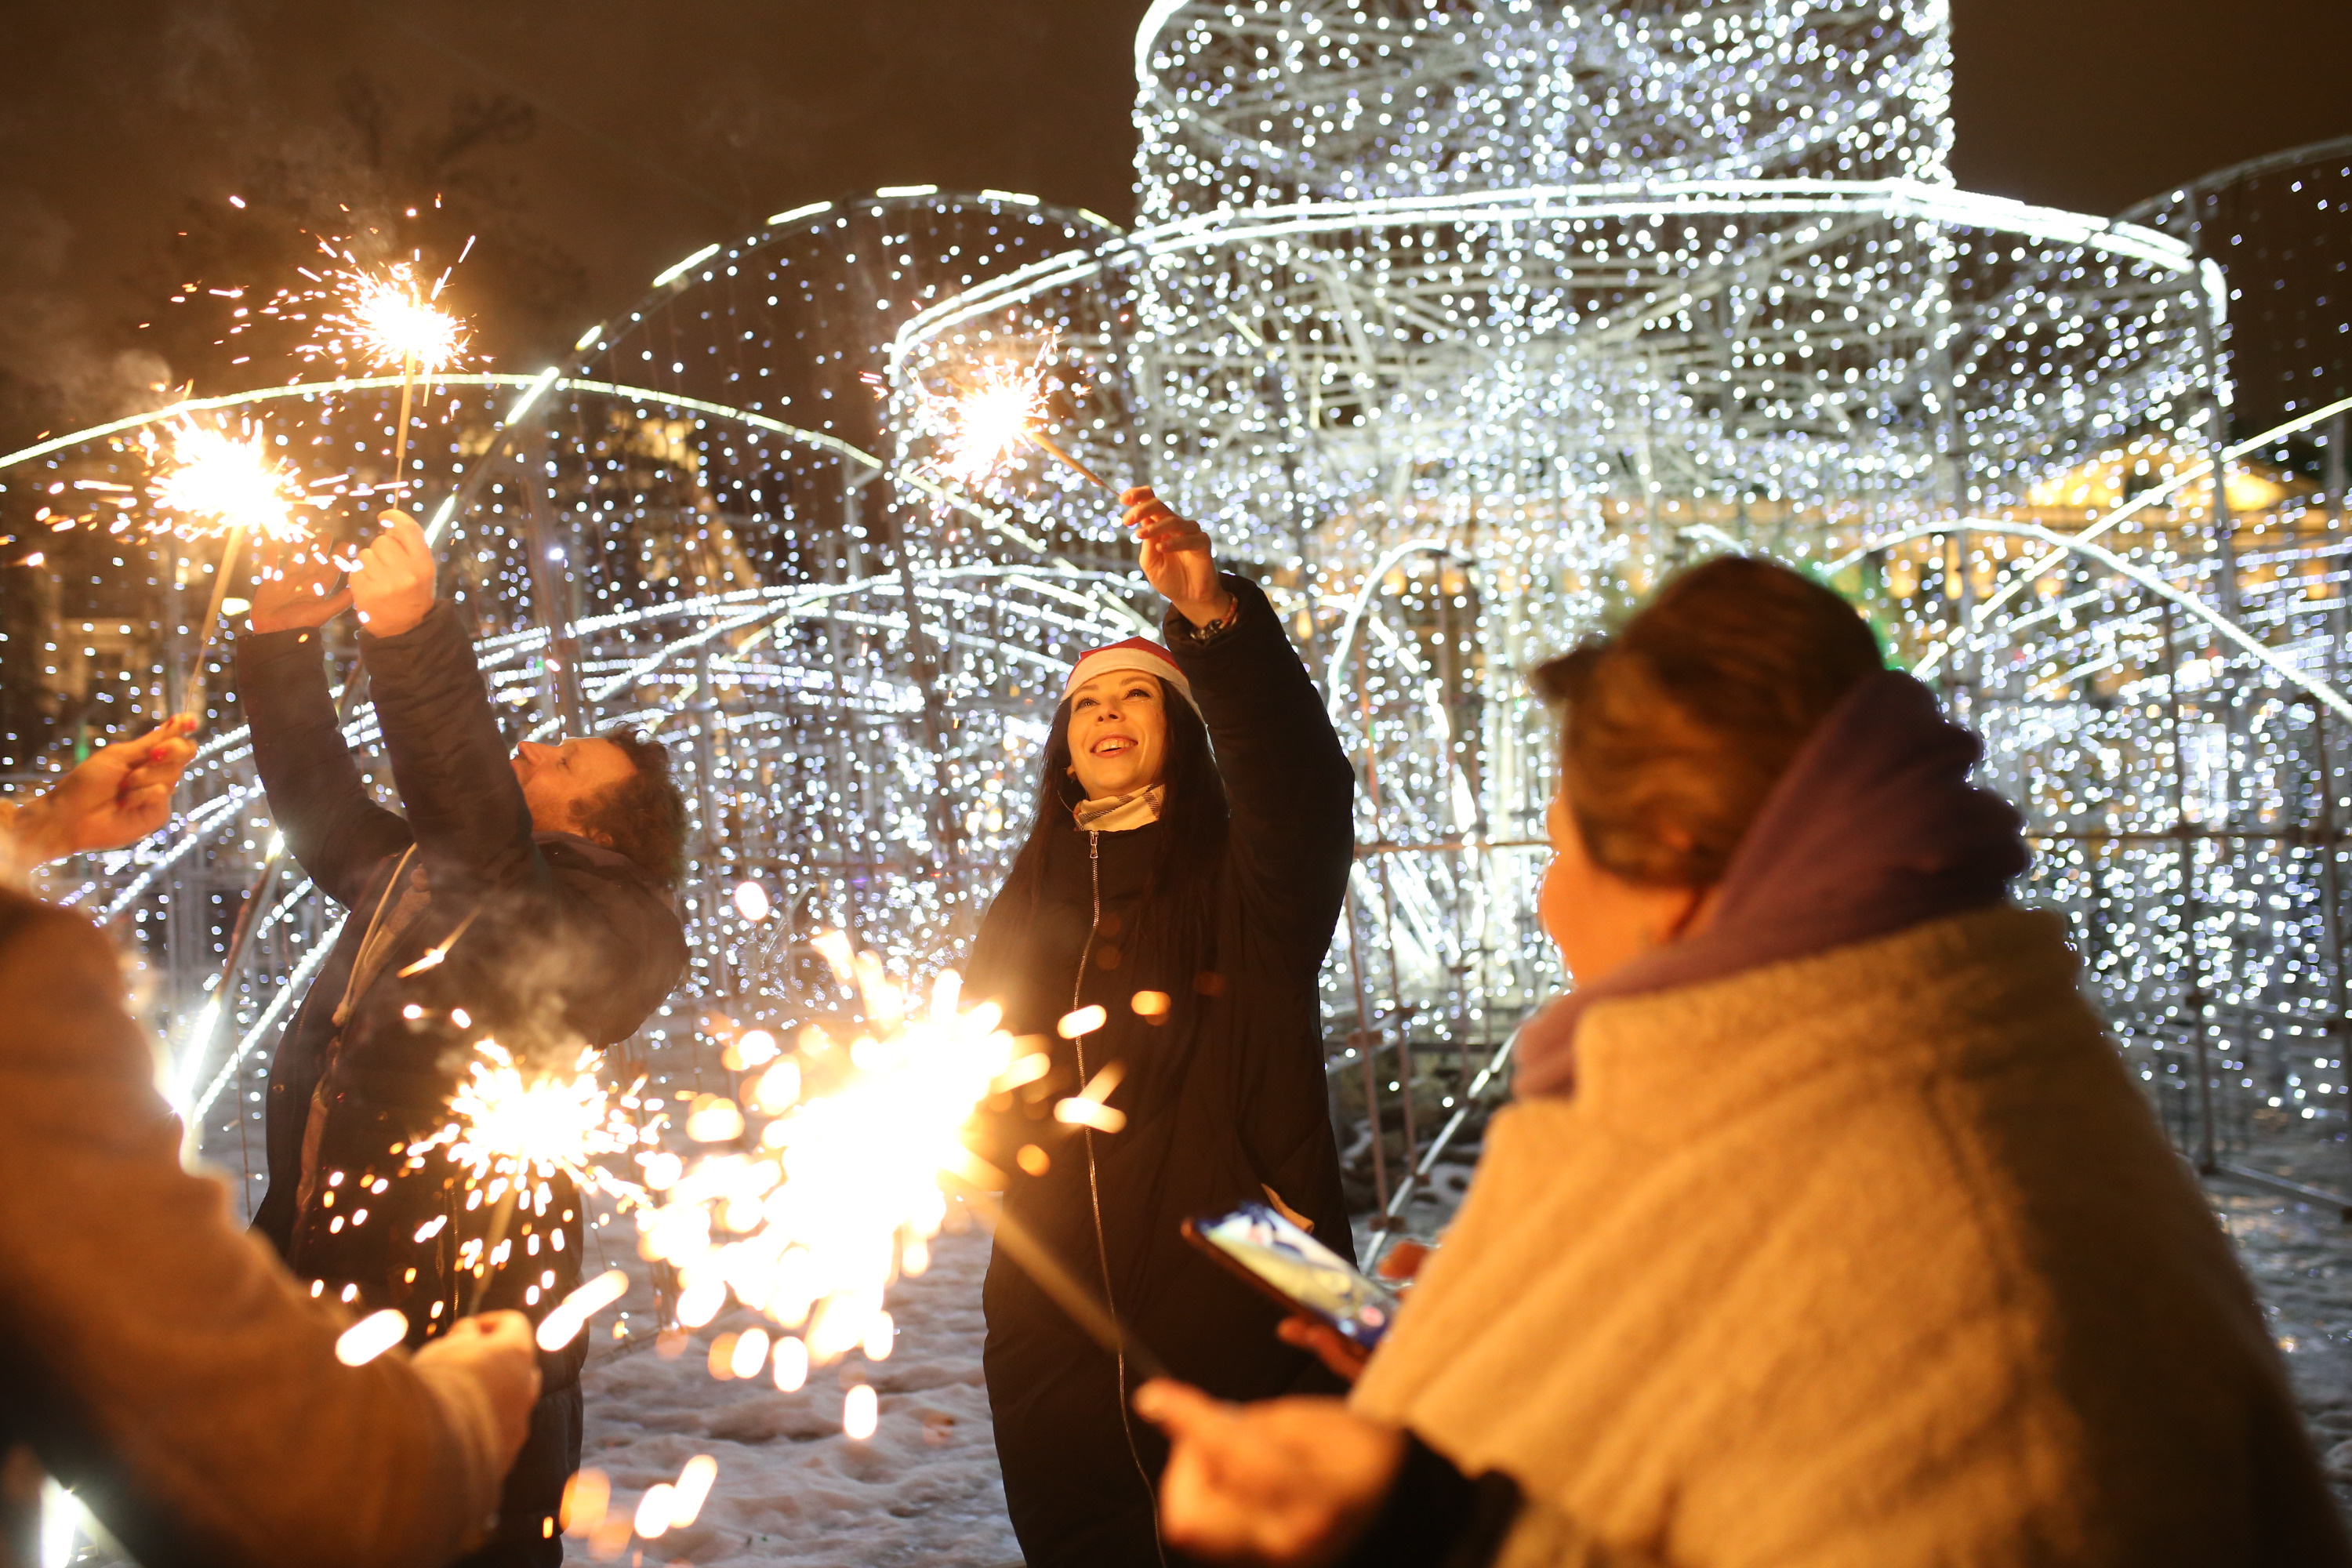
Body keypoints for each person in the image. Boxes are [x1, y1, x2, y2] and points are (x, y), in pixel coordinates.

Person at [1135, 556, 2352, 1567]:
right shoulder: (1895, 1065)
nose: (1550, 907)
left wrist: (1410, 1527)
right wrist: (1490, 1349)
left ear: (1668, 856)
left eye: (1562, 855)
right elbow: (1728, 1403)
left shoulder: (1948, 1255)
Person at [235, 512, 690, 1568]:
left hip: (465, 1328)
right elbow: (322, 806)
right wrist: (277, 646)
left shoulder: (623, 923)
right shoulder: (434, 874)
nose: (530, 747)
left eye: (566, 755)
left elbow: (496, 890)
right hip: (320, 1284)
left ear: (605, 824)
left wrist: (412, 640)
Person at [1, 723, 543, 1568]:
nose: (533, 753)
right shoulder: (19, 988)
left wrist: (39, 827)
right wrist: (462, 1426)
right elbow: (280, 1473)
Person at [967, 485, 1358, 1567]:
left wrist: (1217, 624)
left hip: (1260, 1255)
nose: (1108, 715)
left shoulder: (1248, 882)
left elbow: (1303, 790)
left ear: (1182, 732)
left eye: (1139, 697)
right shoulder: (1030, 899)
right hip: (1056, 1283)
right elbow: (982, 1081)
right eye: (1090, 704)